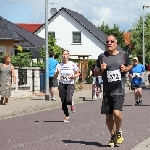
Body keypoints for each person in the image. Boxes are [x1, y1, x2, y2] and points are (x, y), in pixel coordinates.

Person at [95, 35, 132, 147]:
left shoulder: (123, 55)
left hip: (119, 89)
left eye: (112, 41)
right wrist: (101, 69)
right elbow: (95, 73)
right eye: (107, 41)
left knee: (116, 112)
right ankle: (112, 136)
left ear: (116, 43)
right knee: (108, 117)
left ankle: (119, 131)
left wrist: (126, 69)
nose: (109, 43)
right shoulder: (102, 57)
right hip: (107, 91)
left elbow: (130, 65)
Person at [54, 50, 80, 122]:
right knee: (63, 101)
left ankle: (71, 103)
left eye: (65, 54)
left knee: (68, 99)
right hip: (62, 84)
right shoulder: (59, 65)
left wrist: (74, 76)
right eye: (63, 54)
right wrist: (57, 72)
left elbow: (78, 73)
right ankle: (67, 116)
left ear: (68, 56)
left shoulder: (72, 64)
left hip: (70, 84)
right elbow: (55, 77)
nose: (64, 56)